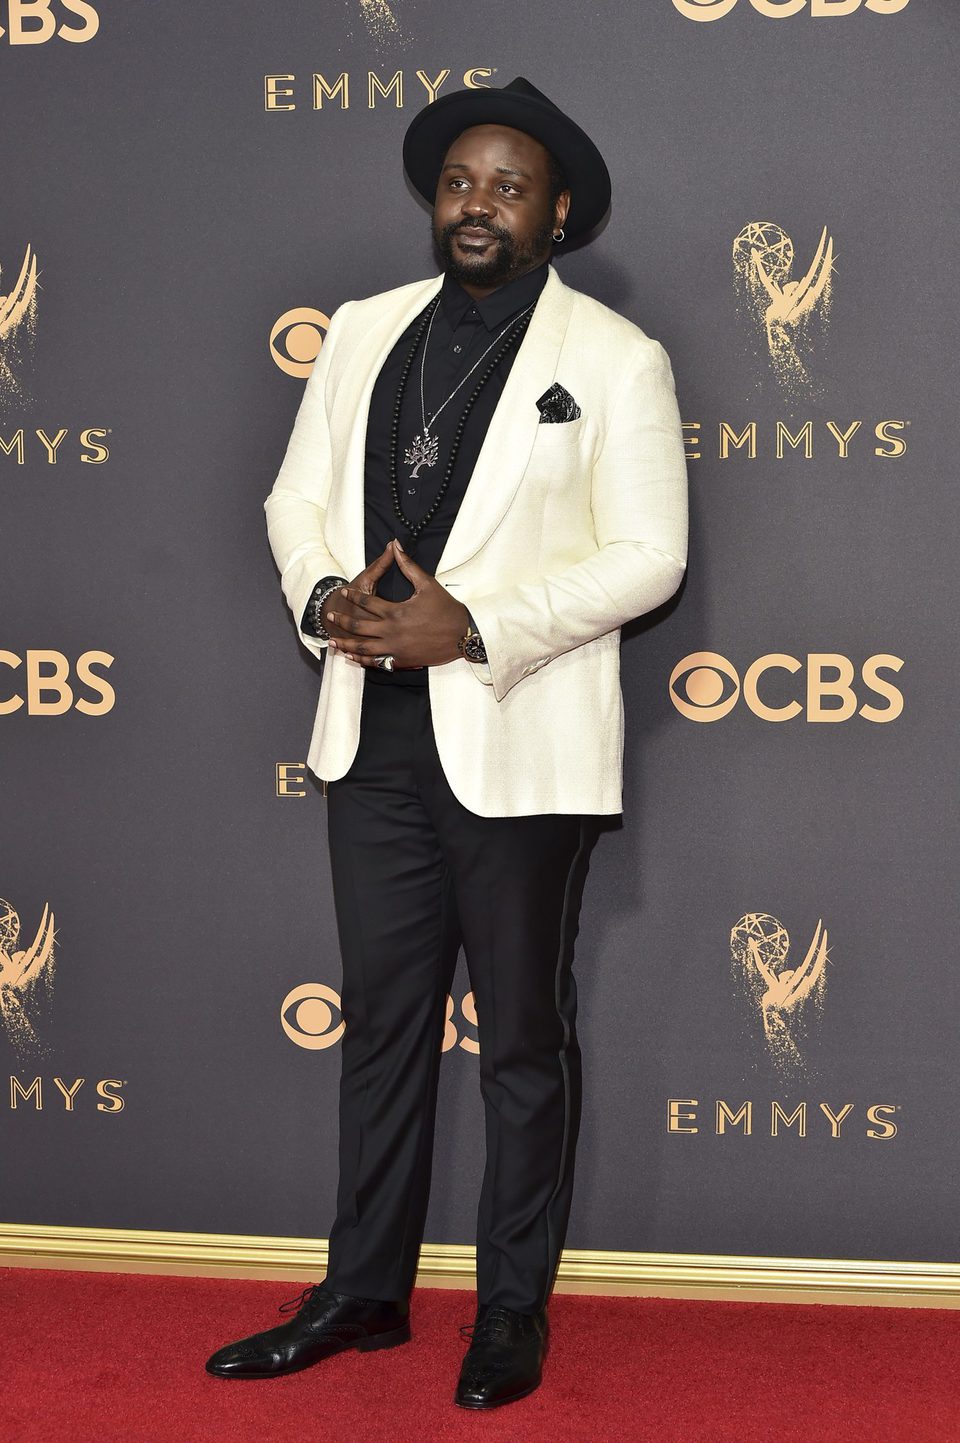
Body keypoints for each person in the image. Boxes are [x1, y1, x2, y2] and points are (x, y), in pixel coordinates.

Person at [206, 76, 688, 1410]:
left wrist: (478, 627)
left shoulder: (611, 359)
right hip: (371, 739)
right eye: (461, 182)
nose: (478, 204)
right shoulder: (362, 330)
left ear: (559, 211)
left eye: (509, 186)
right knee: (383, 1032)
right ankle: (362, 1292)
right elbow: (296, 499)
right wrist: (323, 600)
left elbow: (652, 558)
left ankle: (510, 1313)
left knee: (523, 1042)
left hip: (518, 742)